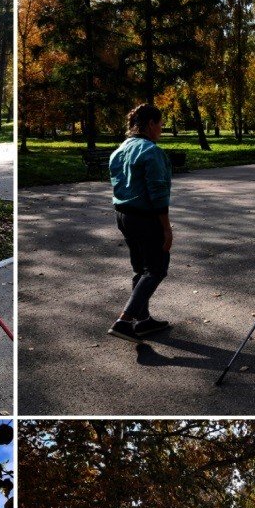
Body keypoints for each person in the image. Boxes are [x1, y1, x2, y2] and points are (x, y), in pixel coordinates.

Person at [107, 104, 173, 342]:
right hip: (145, 217)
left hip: (123, 216)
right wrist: (166, 228)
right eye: (160, 124)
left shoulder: (119, 150)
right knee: (156, 268)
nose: (161, 129)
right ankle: (124, 320)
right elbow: (158, 192)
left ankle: (143, 321)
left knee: (141, 268)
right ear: (150, 124)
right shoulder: (150, 151)